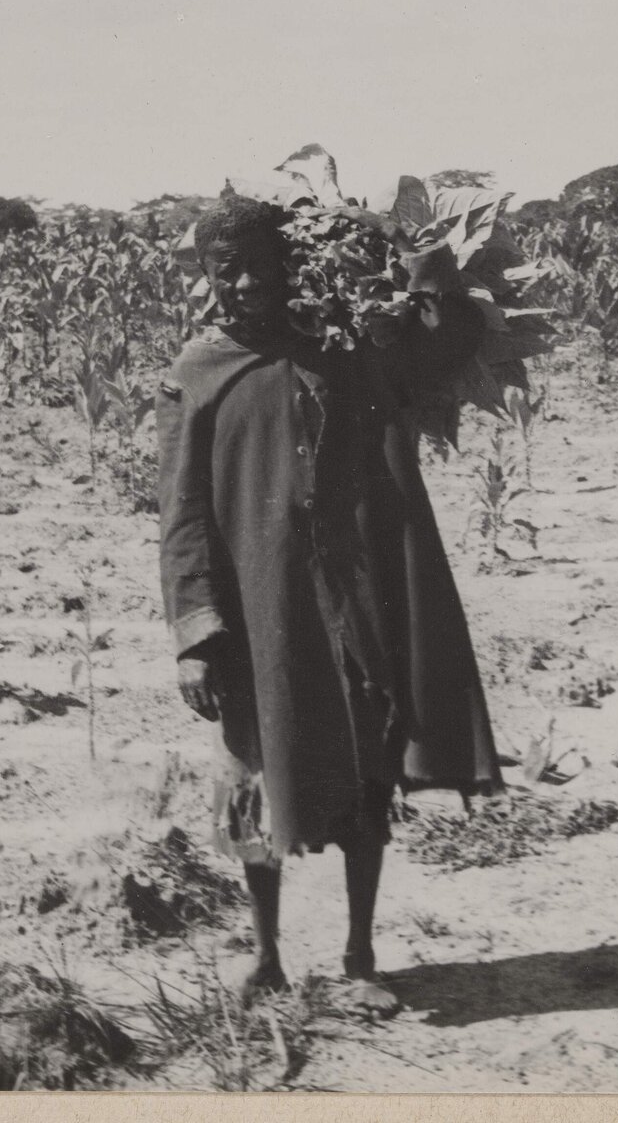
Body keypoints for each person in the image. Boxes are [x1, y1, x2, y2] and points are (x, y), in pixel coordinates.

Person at [156, 194, 503, 1014]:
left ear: (290, 268)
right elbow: (183, 516)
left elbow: (439, 352)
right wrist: (195, 633)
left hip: (346, 606)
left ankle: (359, 955)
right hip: (253, 617)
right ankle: (267, 953)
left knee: (361, 774)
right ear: (208, 277)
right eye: (226, 270)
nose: (245, 284)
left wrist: (427, 271)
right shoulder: (197, 372)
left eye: (260, 266)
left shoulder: (339, 352)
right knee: (251, 777)